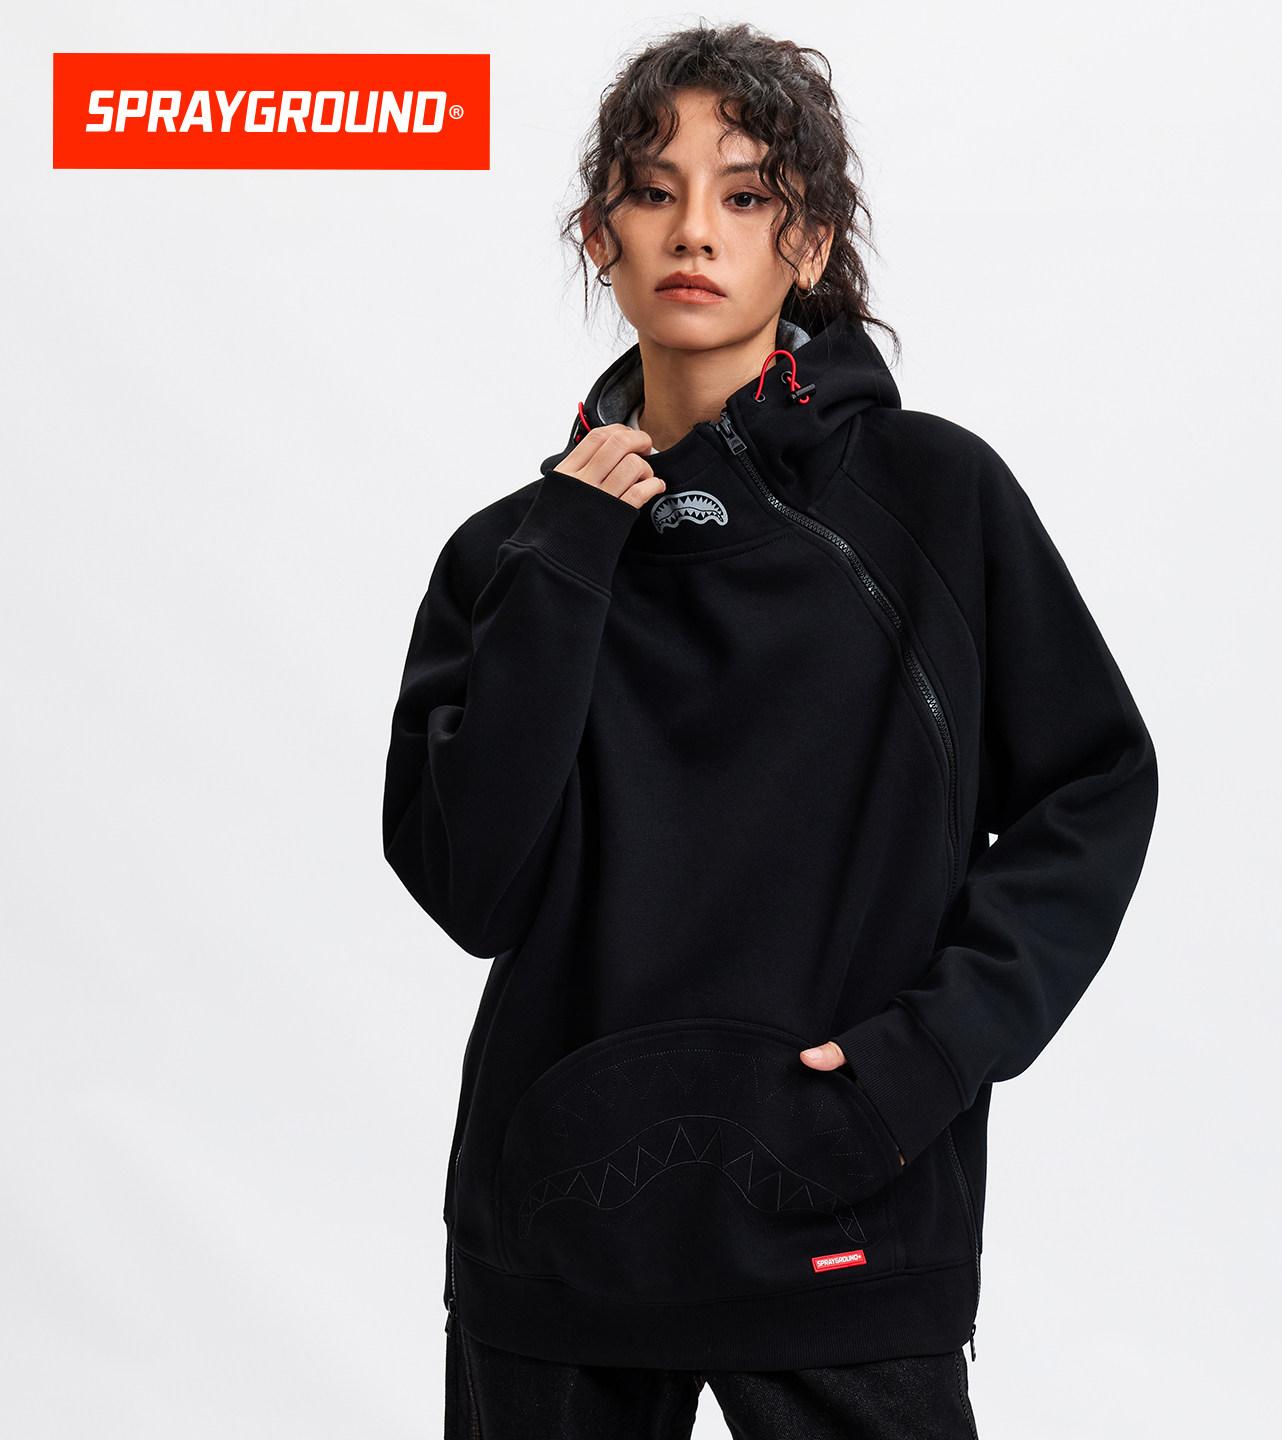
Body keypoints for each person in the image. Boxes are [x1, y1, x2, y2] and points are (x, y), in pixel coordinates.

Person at [381, 21, 1159, 1440]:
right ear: (600, 235)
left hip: (849, 1202)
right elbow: (475, 889)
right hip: (557, 1235)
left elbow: (1093, 788)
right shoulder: (510, 558)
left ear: (809, 244)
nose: (694, 229)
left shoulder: (934, 501)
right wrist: (570, 557)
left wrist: (927, 1057)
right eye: (652, 189)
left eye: (745, 195)